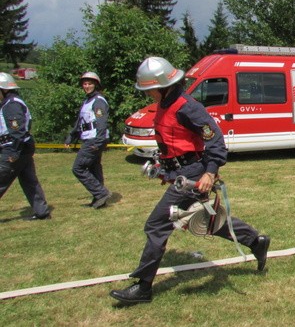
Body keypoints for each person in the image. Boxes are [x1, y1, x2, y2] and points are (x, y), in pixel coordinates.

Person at [110, 56, 270, 305]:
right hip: (182, 174)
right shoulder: (165, 105)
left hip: (194, 175)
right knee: (207, 220)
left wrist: (210, 172)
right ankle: (255, 241)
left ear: (163, 86)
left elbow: (214, 138)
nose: (148, 94)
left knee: (156, 225)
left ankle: (143, 287)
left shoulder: (187, 106)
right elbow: (174, 141)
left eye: (150, 90)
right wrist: (159, 162)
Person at [0, 72, 51, 220]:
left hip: (15, 148)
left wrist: (14, 152)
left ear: (4, 89)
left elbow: (17, 131)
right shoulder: (10, 102)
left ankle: (42, 211)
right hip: (21, 147)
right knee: (29, 181)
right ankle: (41, 212)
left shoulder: (12, 104)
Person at [65, 72, 112, 209]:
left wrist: (98, 143)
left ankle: (101, 193)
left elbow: (102, 123)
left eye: (90, 83)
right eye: (85, 83)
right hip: (89, 138)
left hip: (94, 139)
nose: (87, 86)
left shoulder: (98, 101)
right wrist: (71, 135)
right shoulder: (87, 101)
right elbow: (79, 122)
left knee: (78, 168)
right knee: (93, 168)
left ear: (96, 84)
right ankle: (99, 199)